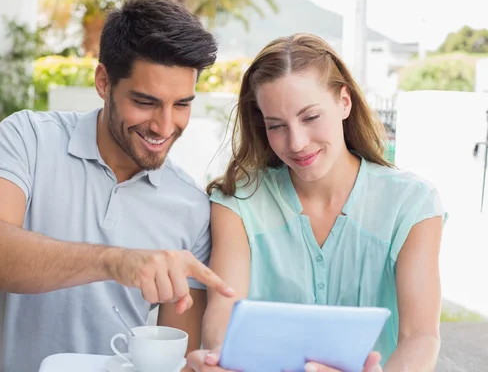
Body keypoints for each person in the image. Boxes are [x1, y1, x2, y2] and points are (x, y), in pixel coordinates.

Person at [0, 0, 234, 372]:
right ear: (104, 82)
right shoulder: (29, 138)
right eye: (146, 102)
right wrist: (115, 262)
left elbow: (173, 357)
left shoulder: (192, 208)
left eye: (181, 104)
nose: (165, 126)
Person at [186, 33, 445, 372]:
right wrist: (217, 358)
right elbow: (222, 317)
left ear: (344, 102)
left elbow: (420, 335)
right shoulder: (237, 203)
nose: (297, 143)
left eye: (310, 117)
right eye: (276, 126)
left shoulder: (412, 204)